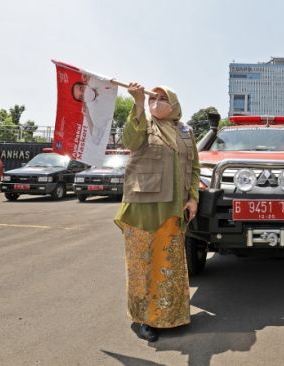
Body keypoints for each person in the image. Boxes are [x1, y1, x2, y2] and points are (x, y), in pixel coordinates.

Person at [114, 83, 200, 342]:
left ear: (174, 104)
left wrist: (193, 198)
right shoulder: (143, 124)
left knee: (170, 266)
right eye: (154, 98)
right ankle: (144, 320)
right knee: (143, 267)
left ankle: (171, 316)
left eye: (163, 98)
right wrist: (138, 103)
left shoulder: (186, 132)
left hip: (174, 210)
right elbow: (129, 140)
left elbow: (194, 166)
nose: (157, 101)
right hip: (143, 209)